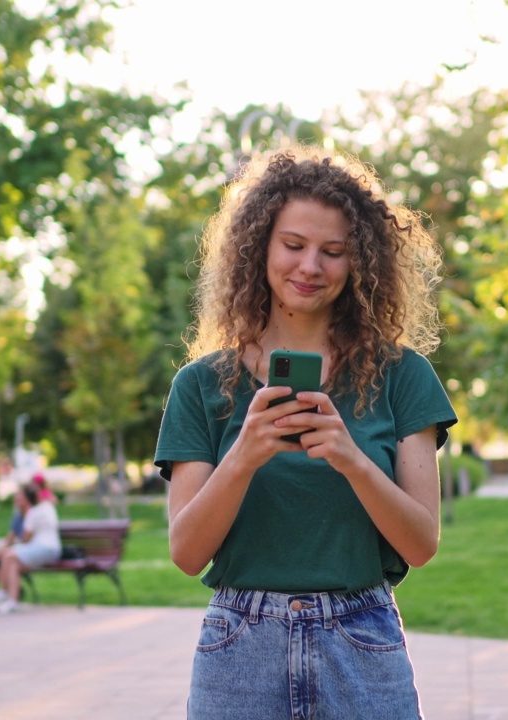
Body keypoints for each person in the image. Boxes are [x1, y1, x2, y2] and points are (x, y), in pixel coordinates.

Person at [154, 146, 457, 719]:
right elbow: (186, 552)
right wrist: (242, 456)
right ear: (259, 246)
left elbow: (421, 543)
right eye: (293, 245)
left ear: (359, 261)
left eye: (333, 251)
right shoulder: (200, 385)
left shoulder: (403, 376)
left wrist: (351, 458)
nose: (310, 267)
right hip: (239, 644)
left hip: (362, 638)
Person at [0, 483, 60, 614]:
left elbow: (26, 539)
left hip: (43, 549)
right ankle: (12, 601)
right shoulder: (48, 506)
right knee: (13, 565)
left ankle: (3, 591)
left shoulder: (32, 512)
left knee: (8, 555)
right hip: (54, 548)